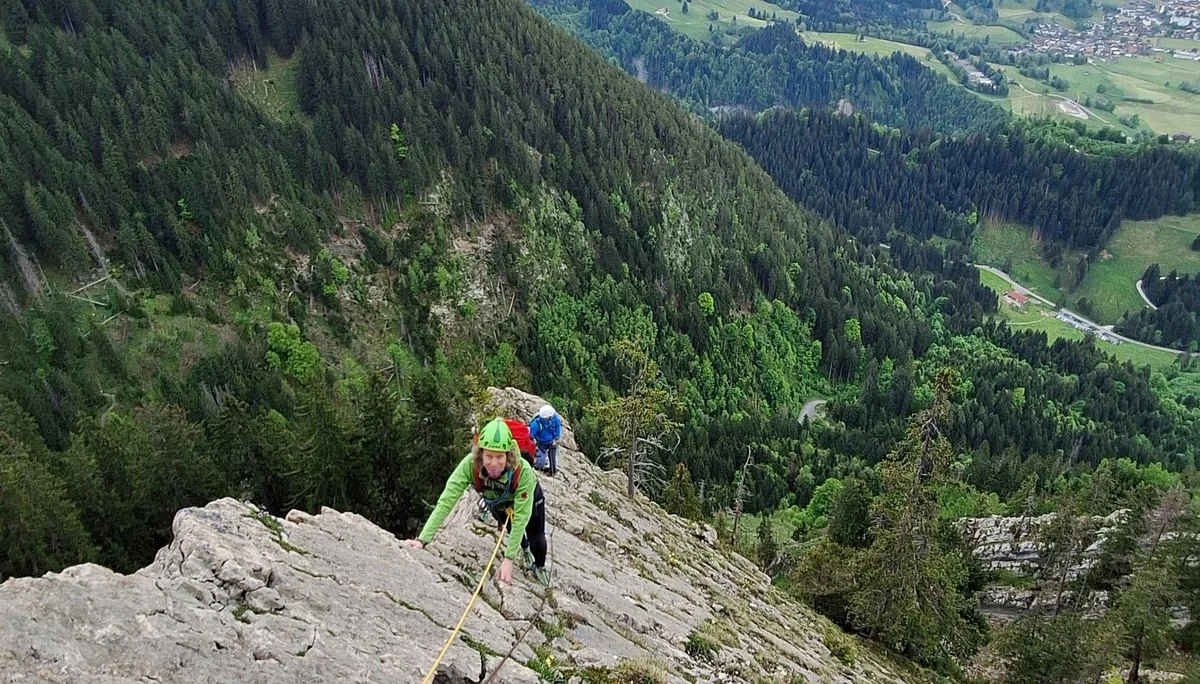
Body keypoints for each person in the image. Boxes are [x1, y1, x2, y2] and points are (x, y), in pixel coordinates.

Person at [403, 418, 548, 585]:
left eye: (499, 457)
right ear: (480, 454)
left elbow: (522, 516)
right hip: (499, 501)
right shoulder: (469, 465)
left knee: (536, 535)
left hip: (529, 496)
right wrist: (422, 539)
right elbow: (446, 501)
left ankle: (540, 566)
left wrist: (508, 559)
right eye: (489, 456)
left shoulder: (523, 471)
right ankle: (524, 549)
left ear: (508, 455)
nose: (494, 464)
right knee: (509, 527)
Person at [528, 404, 562, 476]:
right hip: (540, 444)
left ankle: (552, 469)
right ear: (547, 417)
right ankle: (541, 461)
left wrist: (556, 438)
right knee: (539, 464)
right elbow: (531, 437)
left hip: (551, 442)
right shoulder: (535, 424)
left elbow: (558, 426)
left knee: (553, 459)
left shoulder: (554, 418)